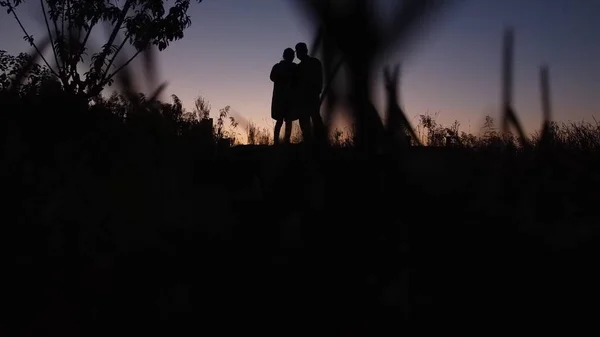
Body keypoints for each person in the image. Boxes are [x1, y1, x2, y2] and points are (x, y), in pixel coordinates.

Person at [294, 42, 325, 144]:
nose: (298, 54)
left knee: (314, 116)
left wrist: (318, 90)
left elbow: (319, 77)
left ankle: (319, 140)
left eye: (299, 51)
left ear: (305, 51)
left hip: (311, 95)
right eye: (297, 51)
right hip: (302, 96)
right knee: (304, 118)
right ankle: (308, 140)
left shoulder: (314, 62)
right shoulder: (299, 66)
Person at [270, 48, 298, 145]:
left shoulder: (293, 67)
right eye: (291, 55)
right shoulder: (279, 67)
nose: (292, 57)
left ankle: (284, 141)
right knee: (281, 120)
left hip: (286, 98)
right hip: (281, 98)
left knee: (286, 120)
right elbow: (272, 77)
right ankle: (278, 141)